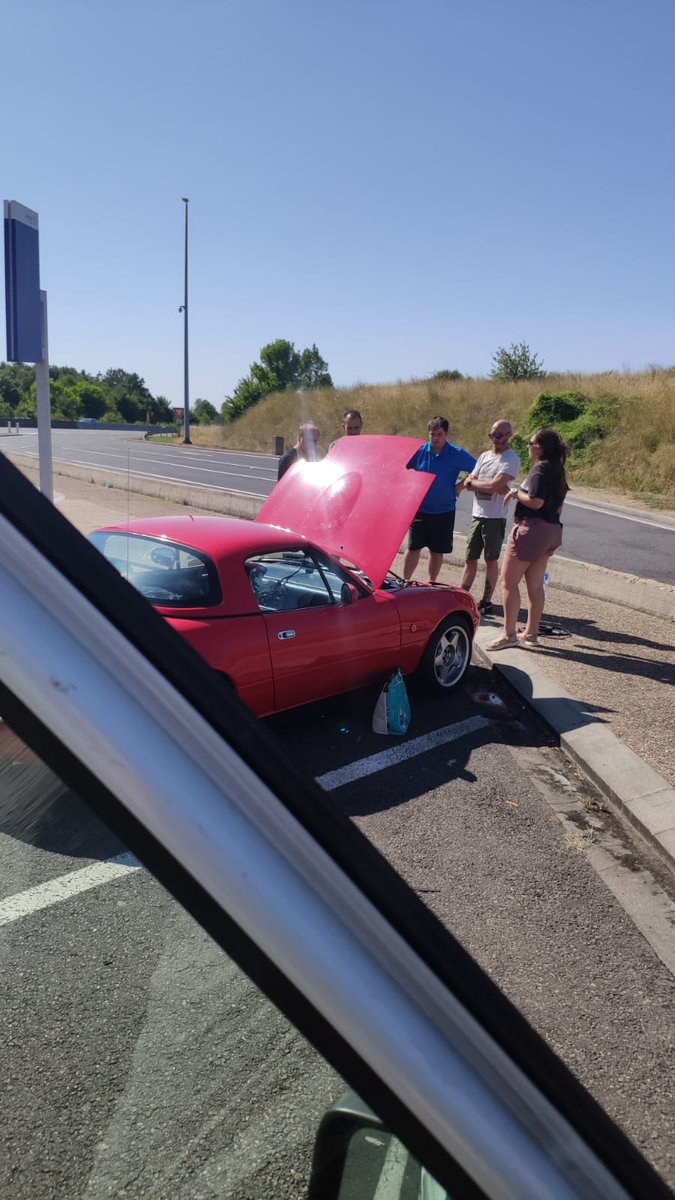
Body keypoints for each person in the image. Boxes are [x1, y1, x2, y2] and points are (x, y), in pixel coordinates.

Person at [487, 428, 569, 650]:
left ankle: (509, 635)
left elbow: (536, 501)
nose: (528, 446)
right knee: (535, 585)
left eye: (531, 443)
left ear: (540, 448)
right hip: (551, 529)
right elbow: (558, 505)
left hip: (531, 529)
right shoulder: (558, 470)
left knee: (508, 582)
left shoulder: (539, 469)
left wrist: (516, 493)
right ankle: (531, 633)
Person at [403, 416, 476, 584]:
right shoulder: (420, 451)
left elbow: (478, 468)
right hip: (420, 510)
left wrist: (461, 486)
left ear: (446, 434)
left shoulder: (457, 453)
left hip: (444, 511)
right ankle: (404, 582)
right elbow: (402, 466)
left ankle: (432, 583)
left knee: (436, 552)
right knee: (413, 548)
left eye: (439, 434)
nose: (435, 438)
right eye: (432, 434)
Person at [460, 420, 521, 614]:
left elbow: (493, 486)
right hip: (477, 514)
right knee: (470, 558)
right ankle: (462, 596)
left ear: (508, 436)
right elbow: (471, 480)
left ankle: (486, 601)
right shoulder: (485, 456)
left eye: (499, 435)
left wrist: (476, 484)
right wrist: (478, 484)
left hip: (495, 517)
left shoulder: (511, 459)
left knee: (490, 559)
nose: (495, 439)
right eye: (492, 435)